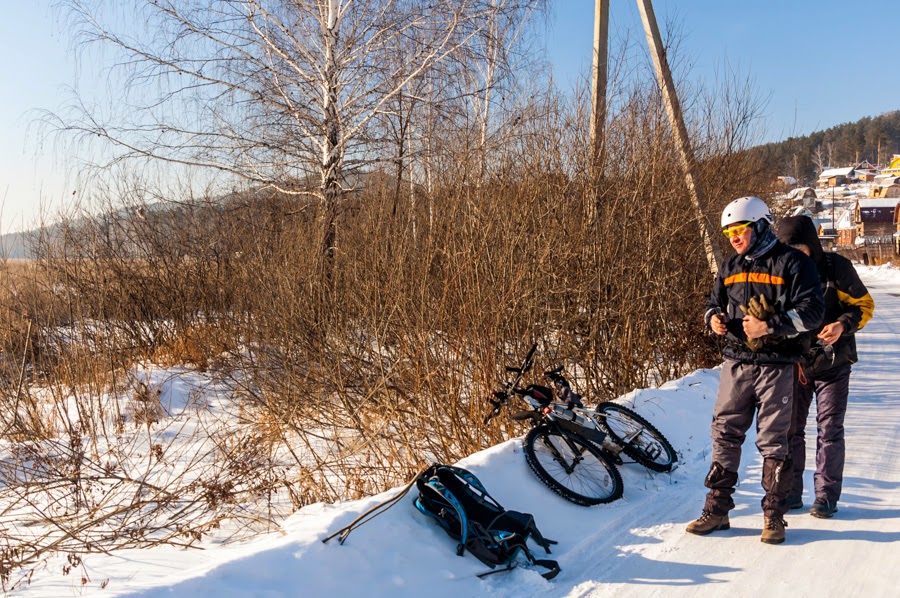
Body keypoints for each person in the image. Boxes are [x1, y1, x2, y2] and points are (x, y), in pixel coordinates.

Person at [687, 196, 824, 545]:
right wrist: (713, 319)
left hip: (778, 366)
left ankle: (774, 516)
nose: (734, 237)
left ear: (760, 226)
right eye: (729, 231)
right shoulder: (731, 265)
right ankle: (717, 510)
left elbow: (812, 314)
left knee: (773, 440)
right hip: (736, 362)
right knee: (725, 433)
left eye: (740, 229)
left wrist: (770, 326)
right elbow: (713, 301)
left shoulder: (793, 263)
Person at [776, 215, 875, 518]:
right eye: (789, 250)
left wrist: (842, 326)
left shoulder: (836, 268)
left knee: (829, 428)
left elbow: (864, 306)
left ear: (814, 247)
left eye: (801, 249)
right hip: (795, 364)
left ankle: (826, 497)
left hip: (834, 361)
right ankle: (791, 493)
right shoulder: (778, 274)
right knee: (790, 430)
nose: (796, 257)